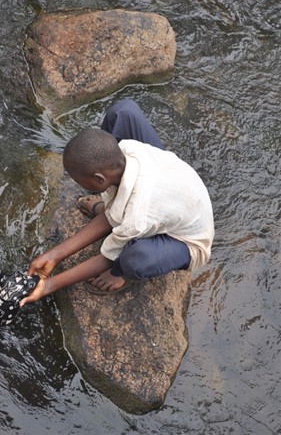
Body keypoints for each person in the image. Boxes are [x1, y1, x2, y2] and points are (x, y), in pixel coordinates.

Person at [20, 99, 214, 306]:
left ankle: (122, 274)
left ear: (99, 179)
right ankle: (112, 207)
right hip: (172, 184)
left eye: (81, 181)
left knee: (135, 258)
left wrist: (50, 285)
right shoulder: (128, 149)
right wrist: (53, 256)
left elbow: (107, 256)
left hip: (186, 240)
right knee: (123, 112)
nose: (78, 184)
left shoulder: (136, 216)